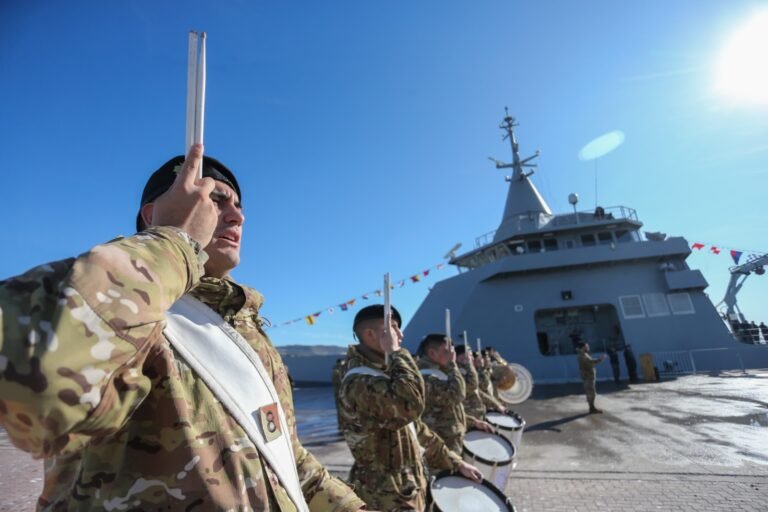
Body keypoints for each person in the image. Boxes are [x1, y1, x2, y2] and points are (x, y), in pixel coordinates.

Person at [0, 146, 366, 511]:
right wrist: (173, 239)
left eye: (238, 206)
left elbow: (288, 459)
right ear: (152, 213)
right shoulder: (126, 307)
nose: (236, 216)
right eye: (216, 200)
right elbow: (37, 392)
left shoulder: (247, 330)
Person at [338, 305, 483, 511]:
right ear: (370, 334)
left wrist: (455, 462)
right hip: (385, 495)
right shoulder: (360, 381)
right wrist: (396, 352)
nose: (400, 334)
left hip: (406, 488)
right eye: (394, 328)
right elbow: (411, 406)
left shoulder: (384, 374)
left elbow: (417, 431)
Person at [417, 334, 493, 456]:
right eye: (446, 351)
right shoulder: (427, 377)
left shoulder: (440, 372)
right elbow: (457, 395)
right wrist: (452, 364)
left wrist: (473, 422)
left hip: (450, 443)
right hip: (439, 446)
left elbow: (449, 411)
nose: (452, 355)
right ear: (432, 353)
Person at [578, 342, 607, 413]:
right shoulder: (582, 355)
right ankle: (592, 408)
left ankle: (591, 407)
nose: (588, 347)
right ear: (583, 347)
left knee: (589, 392)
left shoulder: (584, 354)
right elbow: (591, 362)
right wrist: (600, 359)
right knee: (592, 393)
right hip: (588, 377)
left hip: (588, 376)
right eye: (586, 346)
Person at [331, 357, 347, 431]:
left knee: (342, 409)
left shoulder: (339, 370)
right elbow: (338, 382)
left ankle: (342, 424)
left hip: (340, 392)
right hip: (339, 392)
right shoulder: (337, 371)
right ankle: (342, 425)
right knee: (341, 409)